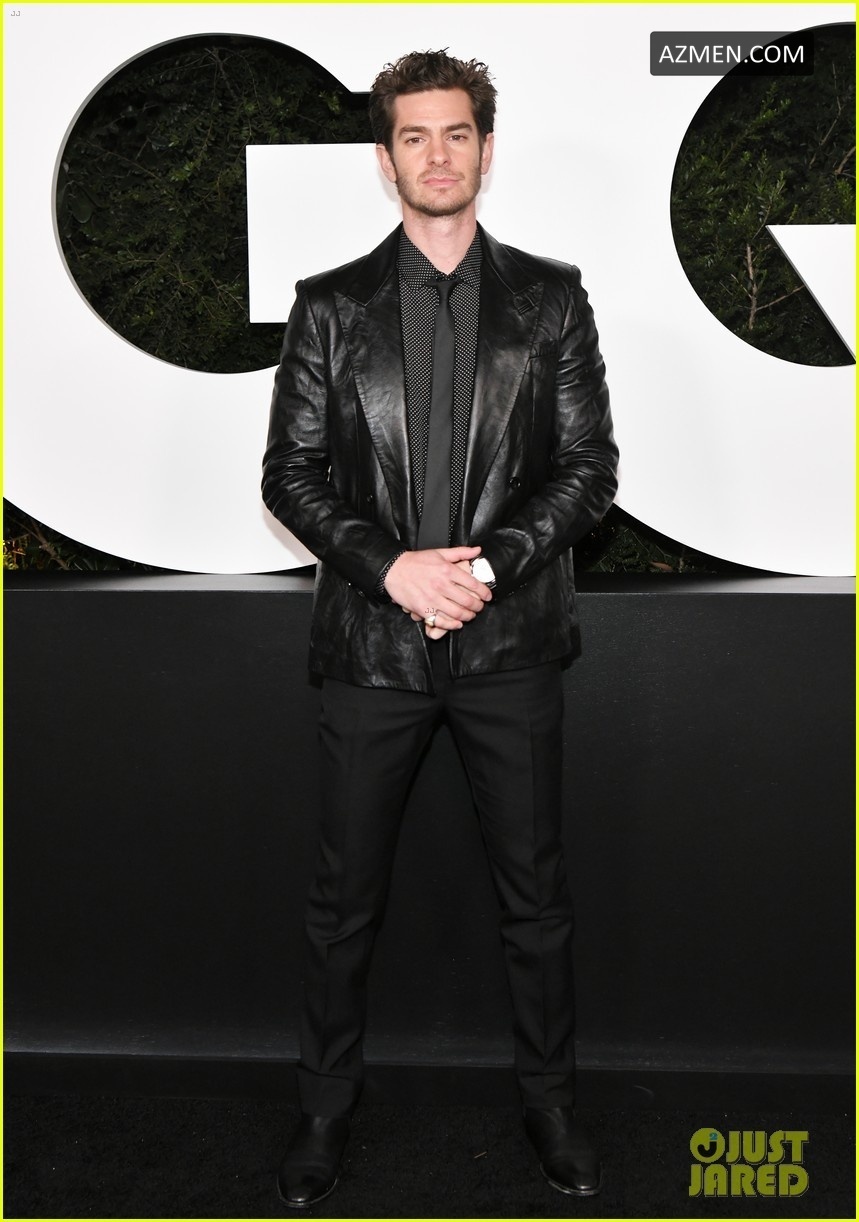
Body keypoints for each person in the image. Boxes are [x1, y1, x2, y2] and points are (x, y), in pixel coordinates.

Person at [261, 48, 618, 1208]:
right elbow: (289, 474)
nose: (436, 154)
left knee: (536, 898)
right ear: (385, 158)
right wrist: (394, 570)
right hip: (372, 647)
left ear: (485, 149)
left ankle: (550, 1105)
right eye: (413, 135)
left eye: (455, 133)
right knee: (341, 901)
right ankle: (323, 1110)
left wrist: (489, 567)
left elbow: (589, 469)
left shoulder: (551, 298)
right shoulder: (330, 306)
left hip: (510, 644)